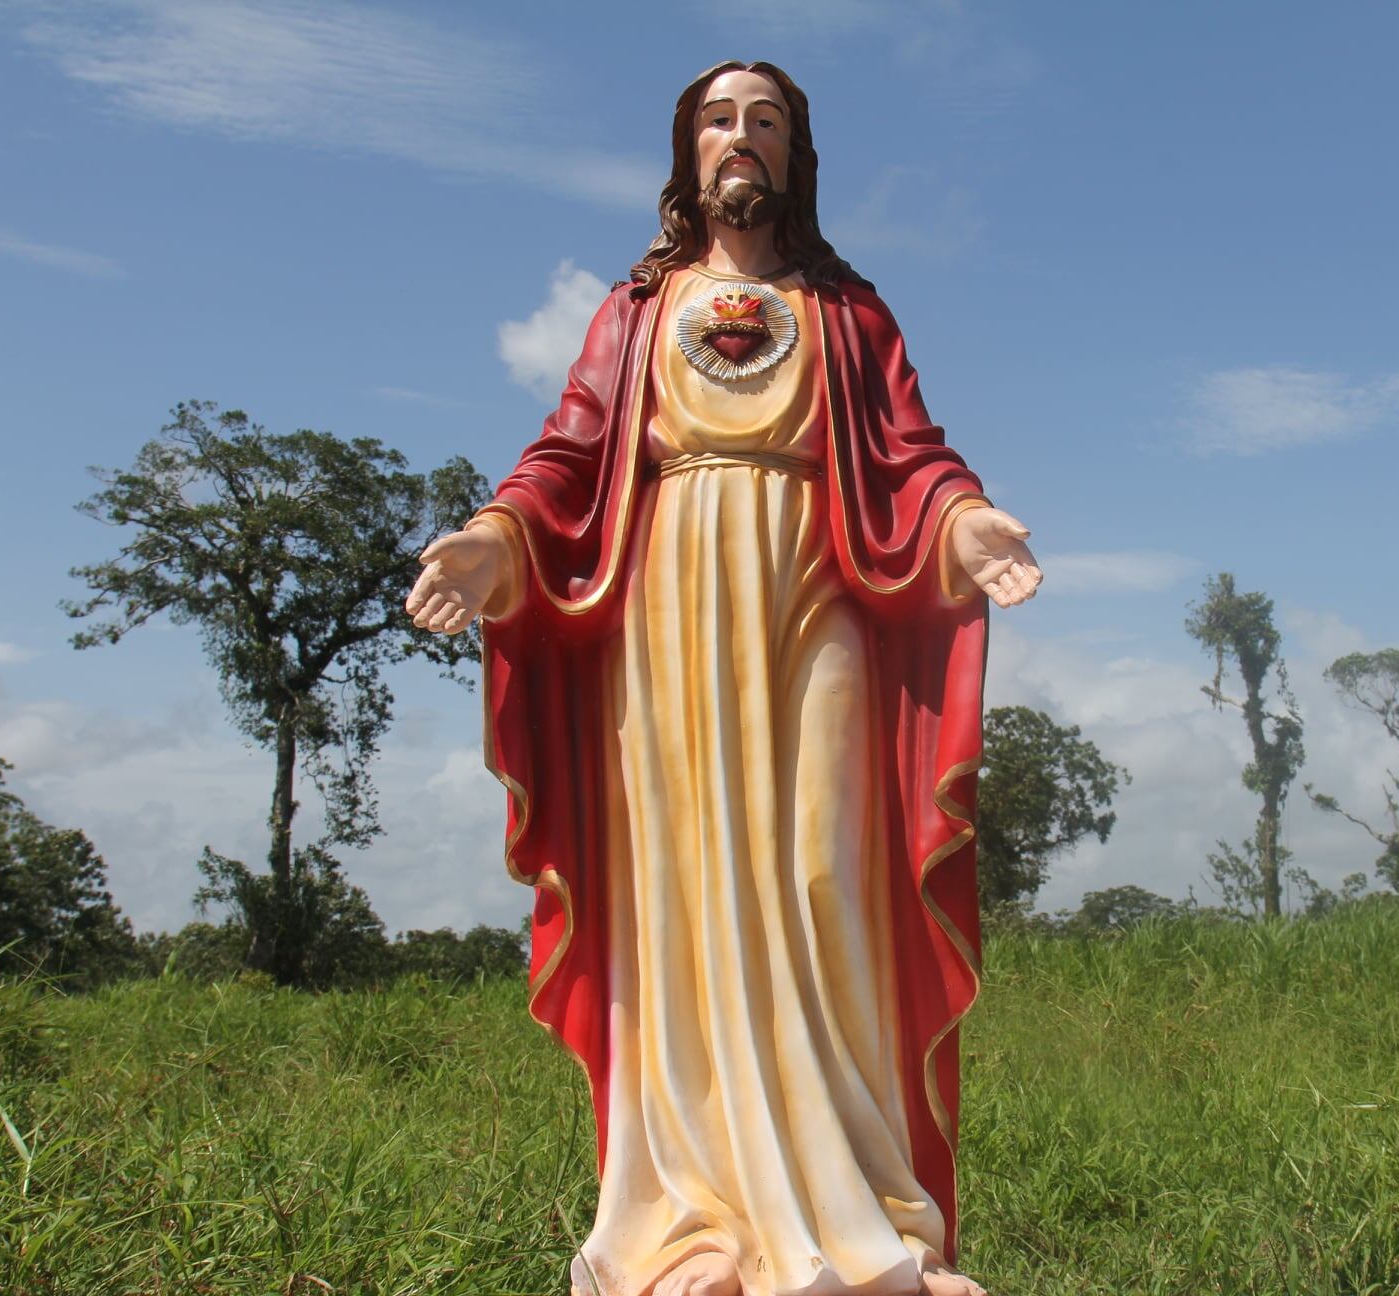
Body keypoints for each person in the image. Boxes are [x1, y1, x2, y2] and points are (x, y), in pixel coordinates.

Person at [407, 59, 1040, 1296]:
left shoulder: (848, 311)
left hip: (815, 583)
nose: (740, 136)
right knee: (682, 894)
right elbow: (570, 452)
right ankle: (696, 1212)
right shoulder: (637, 311)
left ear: (796, 154)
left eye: (765, 120)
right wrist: (494, 538)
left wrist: (964, 522)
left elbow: (910, 452)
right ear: (686, 151)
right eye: (717, 119)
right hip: (668, 610)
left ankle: (858, 1208)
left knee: (826, 873)